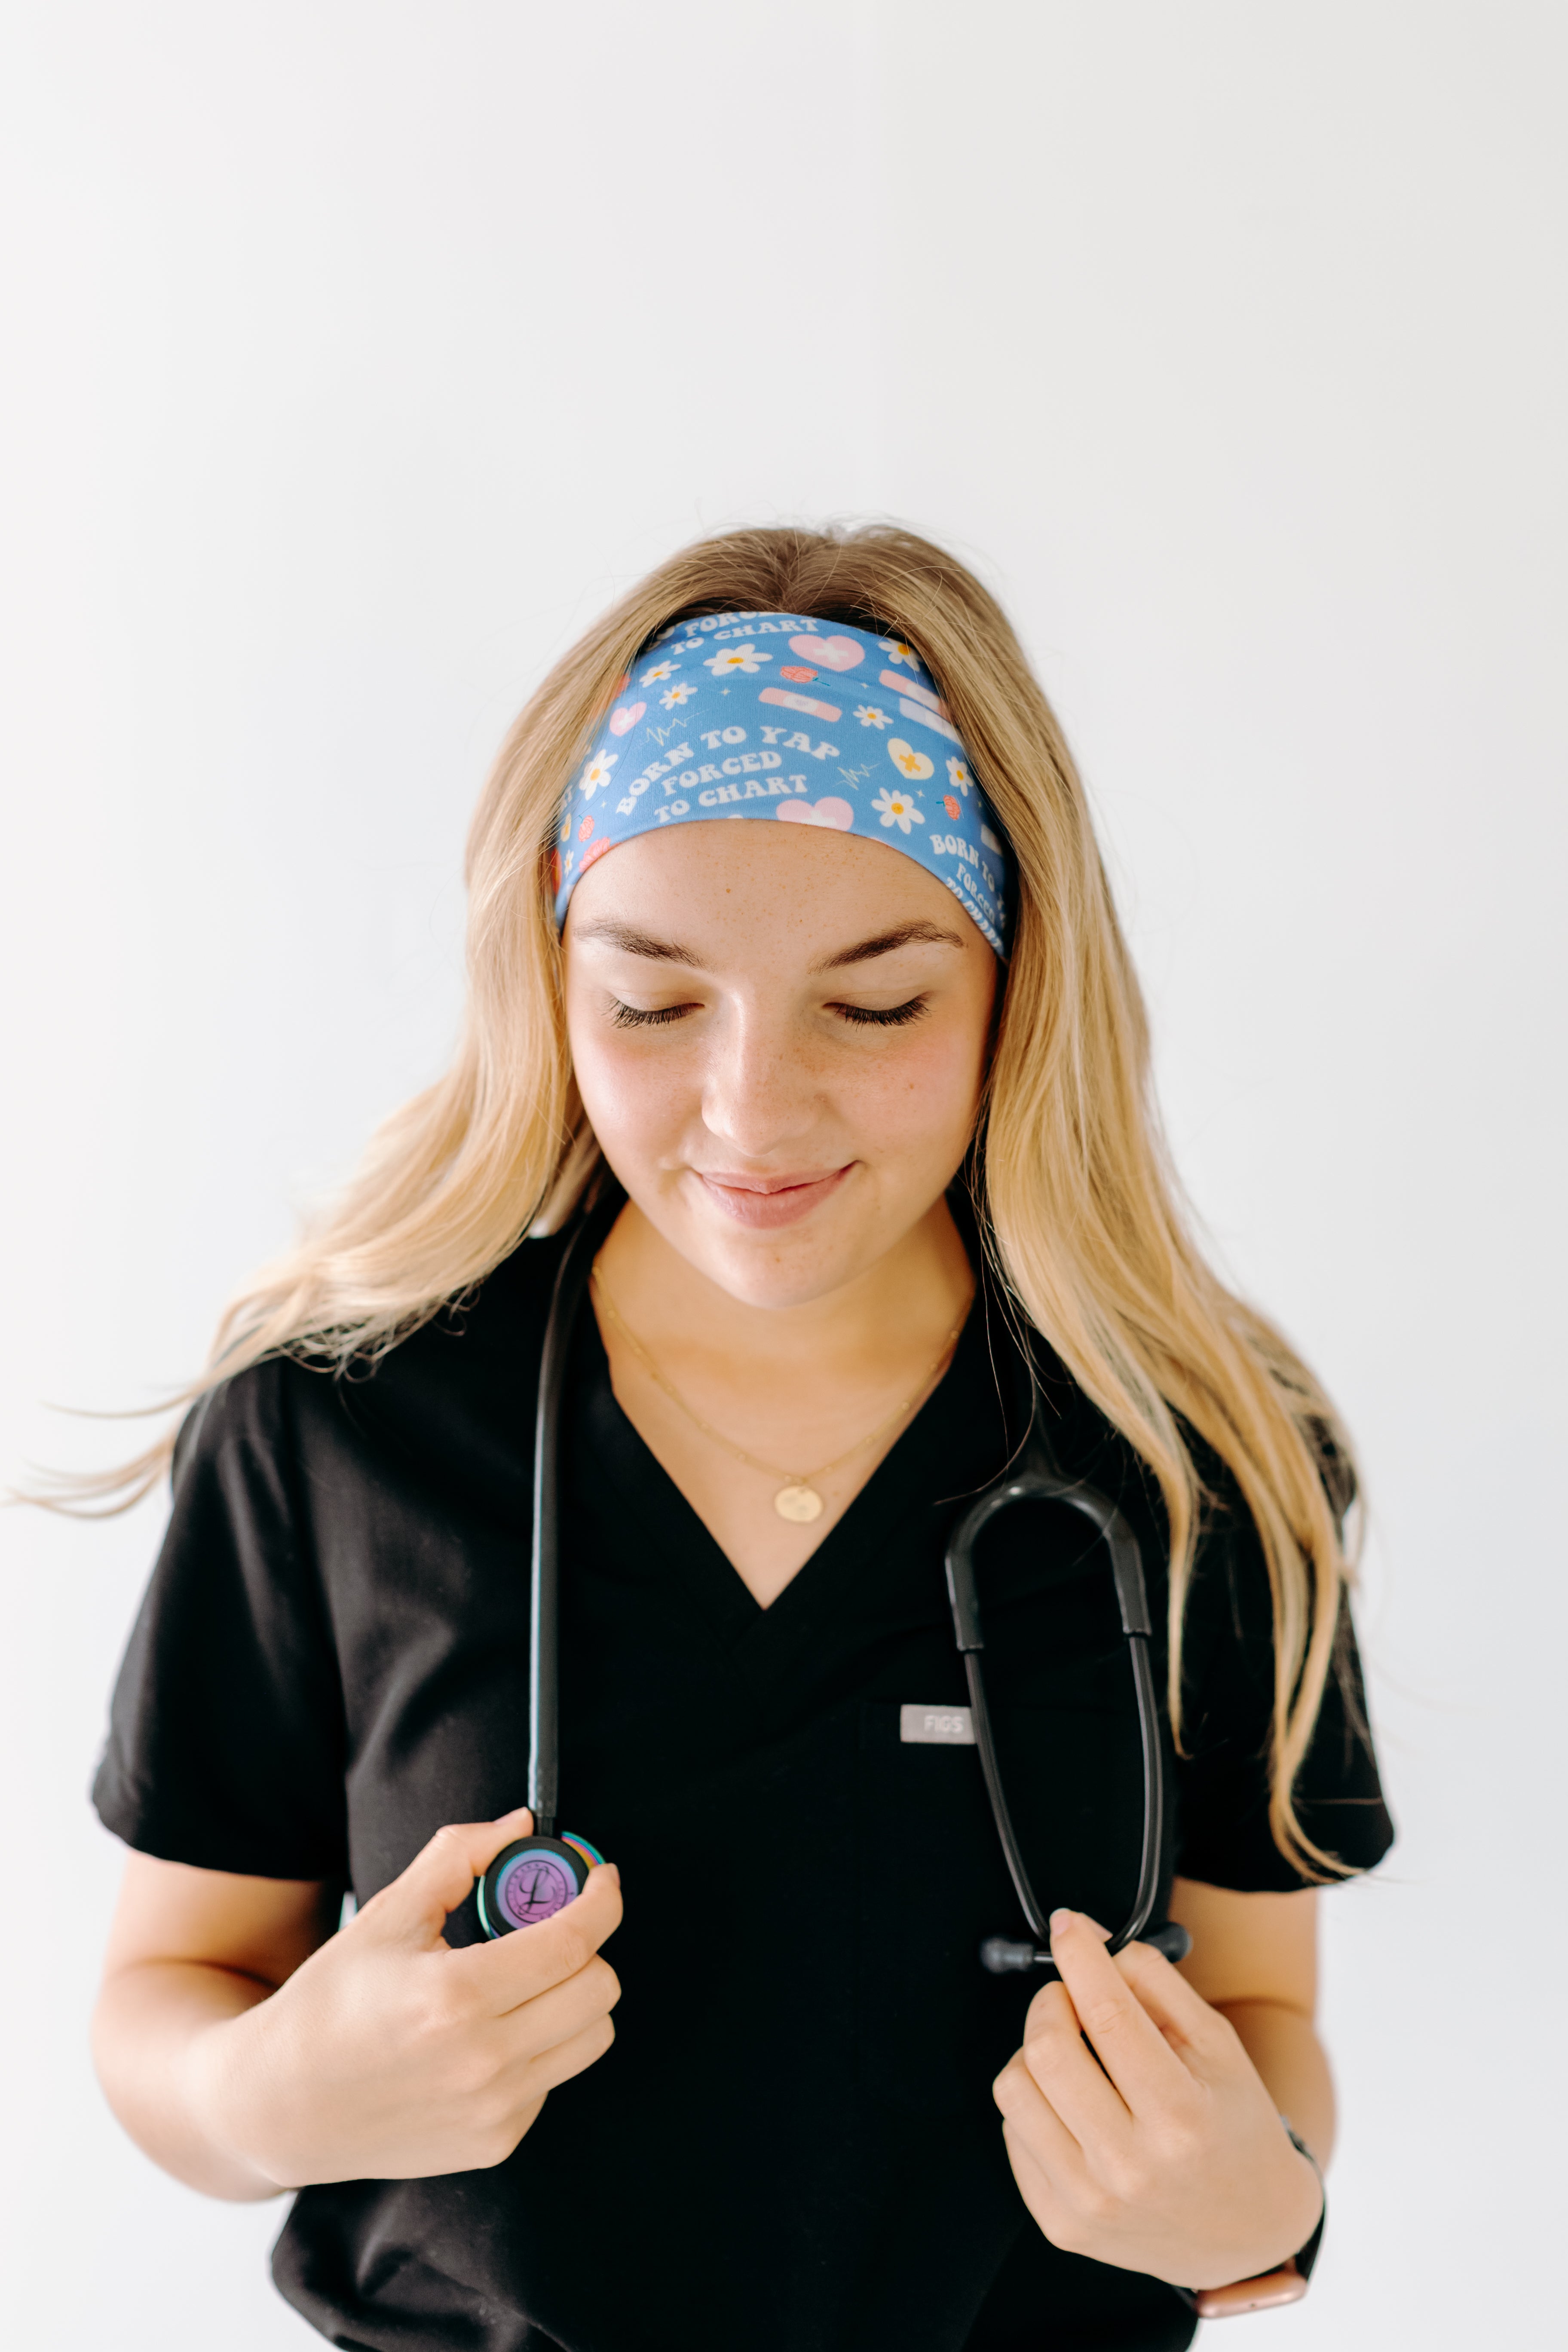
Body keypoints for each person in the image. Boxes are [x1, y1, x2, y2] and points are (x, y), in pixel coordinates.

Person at [83, 525, 1392, 2352]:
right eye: (651, 1000)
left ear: (1021, 982)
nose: (752, 1109)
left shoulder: (1204, 1461)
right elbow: (171, 1982)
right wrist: (263, 2102)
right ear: (548, 981)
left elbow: (1259, 2013)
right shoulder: (333, 1437)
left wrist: (1263, 2210)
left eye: (877, 1003)